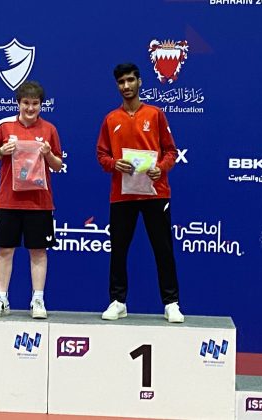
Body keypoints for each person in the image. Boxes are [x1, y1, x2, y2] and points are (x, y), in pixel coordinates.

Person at [96, 63, 184, 323]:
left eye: (130, 80)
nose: (126, 86)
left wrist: (161, 168)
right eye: (121, 82)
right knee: (118, 250)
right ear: (117, 86)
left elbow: (171, 151)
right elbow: (102, 155)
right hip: (122, 195)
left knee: (163, 249)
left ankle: (171, 303)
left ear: (140, 82)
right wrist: (114, 164)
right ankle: (118, 301)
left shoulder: (155, 114)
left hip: (156, 194)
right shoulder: (111, 119)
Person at [0, 80, 63, 319]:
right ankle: (2, 299)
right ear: (18, 104)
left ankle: (37, 299)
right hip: (8, 200)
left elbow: (57, 165)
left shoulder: (49, 129)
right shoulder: (4, 128)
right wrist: (2, 151)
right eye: (26, 103)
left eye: (35, 104)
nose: (30, 108)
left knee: (38, 251)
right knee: (5, 250)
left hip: (39, 202)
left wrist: (48, 154)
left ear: (41, 105)